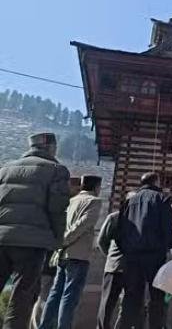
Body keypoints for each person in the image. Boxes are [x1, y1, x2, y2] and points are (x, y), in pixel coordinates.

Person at [0, 133, 70, 329]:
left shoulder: (5, 168)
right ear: (50, 147)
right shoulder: (57, 170)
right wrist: (57, 241)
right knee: (22, 295)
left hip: (2, 238)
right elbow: (57, 209)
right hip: (32, 242)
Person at [39, 175, 102, 329]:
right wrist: (66, 240)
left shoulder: (72, 201)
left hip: (62, 253)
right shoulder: (94, 201)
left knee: (55, 294)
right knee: (70, 296)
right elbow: (84, 224)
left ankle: (45, 326)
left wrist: (61, 243)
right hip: (78, 255)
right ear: (96, 187)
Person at [117, 172, 172, 329]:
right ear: (156, 181)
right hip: (154, 255)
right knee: (156, 296)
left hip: (132, 256)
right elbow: (168, 226)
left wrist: (126, 250)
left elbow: (120, 230)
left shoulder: (129, 202)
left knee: (131, 296)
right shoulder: (162, 199)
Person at [30, 177, 80, 329]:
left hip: (53, 258)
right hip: (50, 259)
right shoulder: (62, 208)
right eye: (77, 189)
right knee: (46, 297)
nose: (79, 192)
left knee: (48, 297)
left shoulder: (60, 206)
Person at [96, 191, 138, 329]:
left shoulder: (143, 221)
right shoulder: (114, 218)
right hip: (115, 268)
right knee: (107, 304)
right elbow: (102, 241)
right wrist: (111, 256)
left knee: (128, 306)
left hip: (133, 269)